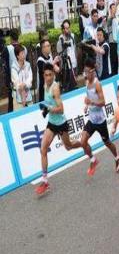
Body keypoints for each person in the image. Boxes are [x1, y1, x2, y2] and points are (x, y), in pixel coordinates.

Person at [35, 64, 82, 195]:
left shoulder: (55, 88)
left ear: (53, 75)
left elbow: (61, 109)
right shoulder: (44, 86)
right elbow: (49, 104)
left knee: (69, 146)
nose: (48, 78)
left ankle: (83, 143)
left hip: (61, 123)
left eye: (50, 75)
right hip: (51, 123)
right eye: (46, 75)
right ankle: (45, 181)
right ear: (43, 75)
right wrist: (46, 110)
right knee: (43, 149)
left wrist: (49, 109)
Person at [80, 59, 119, 175]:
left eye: (87, 72)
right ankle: (93, 160)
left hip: (100, 121)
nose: (86, 74)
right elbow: (89, 97)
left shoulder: (97, 84)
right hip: (91, 120)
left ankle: (117, 157)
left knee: (107, 143)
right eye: (84, 71)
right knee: (83, 141)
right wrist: (87, 106)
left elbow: (103, 102)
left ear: (93, 71)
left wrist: (91, 102)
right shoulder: (86, 82)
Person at [11, 45, 33, 110]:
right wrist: (21, 86)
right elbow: (16, 83)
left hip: (28, 94)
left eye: (24, 53)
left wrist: (25, 84)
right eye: (22, 53)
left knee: (31, 112)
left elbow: (30, 78)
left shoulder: (28, 65)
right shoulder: (14, 67)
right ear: (17, 56)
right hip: (18, 96)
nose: (24, 55)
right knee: (19, 114)